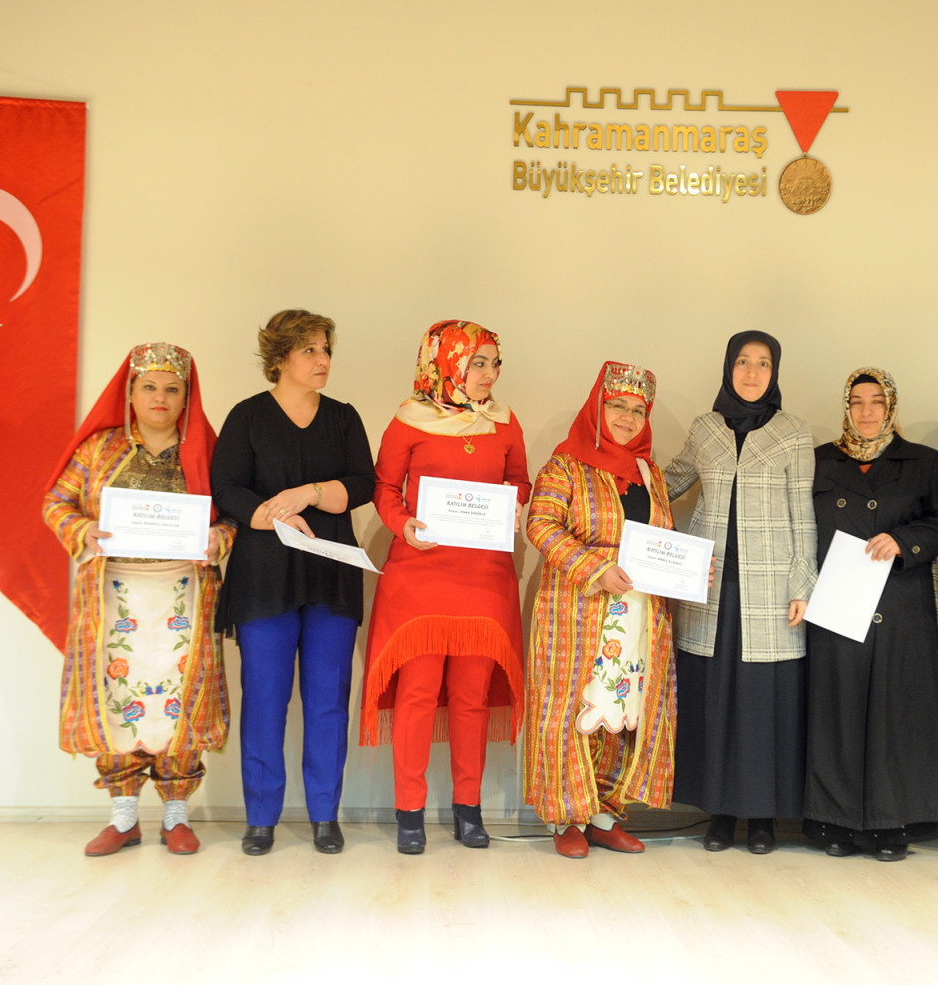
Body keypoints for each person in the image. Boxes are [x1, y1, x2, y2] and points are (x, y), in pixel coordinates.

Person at [43, 342, 235, 856]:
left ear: (187, 397)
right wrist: (81, 529)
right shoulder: (98, 450)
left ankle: (177, 816)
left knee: (179, 698)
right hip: (114, 597)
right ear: (129, 392)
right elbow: (56, 501)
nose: (160, 398)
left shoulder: (207, 451)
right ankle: (124, 817)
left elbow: (234, 512)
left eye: (172, 389)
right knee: (117, 697)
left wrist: (220, 538)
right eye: (148, 387)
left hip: (183, 595)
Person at [360, 321, 530, 854]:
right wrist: (401, 523)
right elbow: (385, 487)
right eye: (477, 362)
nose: (489, 374)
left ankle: (468, 808)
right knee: (416, 693)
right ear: (446, 362)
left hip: (484, 579)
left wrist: (514, 504)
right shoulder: (409, 420)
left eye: (494, 363)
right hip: (421, 576)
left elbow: (520, 481)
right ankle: (409, 811)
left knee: (471, 697)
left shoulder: (504, 422)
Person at [211, 309, 375, 856]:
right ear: (279, 357)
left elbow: (363, 483)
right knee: (264, 700)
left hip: (331, 574)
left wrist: (308, 493)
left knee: (328, 701)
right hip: (265, 578)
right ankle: (261, 818)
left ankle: (325, 815)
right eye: (310, 350)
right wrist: (274, 515)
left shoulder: (344, 418)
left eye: (326, 349)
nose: (323, 359)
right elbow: (226, 487)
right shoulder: (247, 416)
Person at [665, 330, 817, 854]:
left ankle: (763, 818)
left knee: (761, 706)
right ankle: (720, 814)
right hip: (710, 588)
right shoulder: (705, 428)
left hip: (770, 590)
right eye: (743, 362)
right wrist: (618, 483)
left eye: (763, 364)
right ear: (729, 367)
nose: (752, 373)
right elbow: (670, 482)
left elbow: (803, 513)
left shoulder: (793, 432)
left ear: (775, 373)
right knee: (715, 701)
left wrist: (803, 584)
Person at [523, 361, 677, 858]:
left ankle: (604, 815)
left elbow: (664, 538)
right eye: (617, 406)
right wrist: (595, 569)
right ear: (597, 408)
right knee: (571, 710)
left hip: (637, 615)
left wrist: (689, 571)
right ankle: (565, 817)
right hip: (578, 610)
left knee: (622, 711)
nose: (628, 418)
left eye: (638, 411)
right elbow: (541, 525)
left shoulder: (650, 474)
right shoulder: (565, 464)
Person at [805, 368, 938, 862]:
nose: (867, 411)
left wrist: (904, 540)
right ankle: (835, 823)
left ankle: (893, 826)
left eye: (876, 401)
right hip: (837, 606)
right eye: (857, 401)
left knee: (898, 717)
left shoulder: (925, 461)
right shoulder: (819, 461)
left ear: (890, 407)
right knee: (839, 713)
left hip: (902, 607)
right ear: (846, 407)